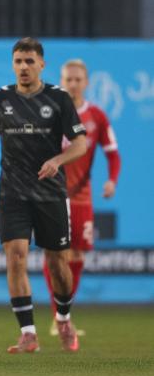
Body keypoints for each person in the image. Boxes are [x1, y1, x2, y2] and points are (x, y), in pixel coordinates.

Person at [0, 37, 87, 354]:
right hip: (13, 194)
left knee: (58, 264)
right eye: (18, 61)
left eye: (29, 61)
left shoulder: (58, 99)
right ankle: (28, 333)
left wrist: (58, 160)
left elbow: (81, 143)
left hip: (50, 194)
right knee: (15, 257)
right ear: (12, 64)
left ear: (42, 64)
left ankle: (63, 317)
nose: (23, 67)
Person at [43, 59, 120, 336]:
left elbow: (113, 153)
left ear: (86, 83)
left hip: (81, 198)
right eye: (68, 79)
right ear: (62, 82)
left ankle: (64, 315)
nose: (73, 84)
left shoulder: (97, 116)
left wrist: (111, 180)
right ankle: (58, 318)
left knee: (76, 255)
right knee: (54, 254)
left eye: (78, 79)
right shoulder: (50, 112)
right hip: (51, 195)